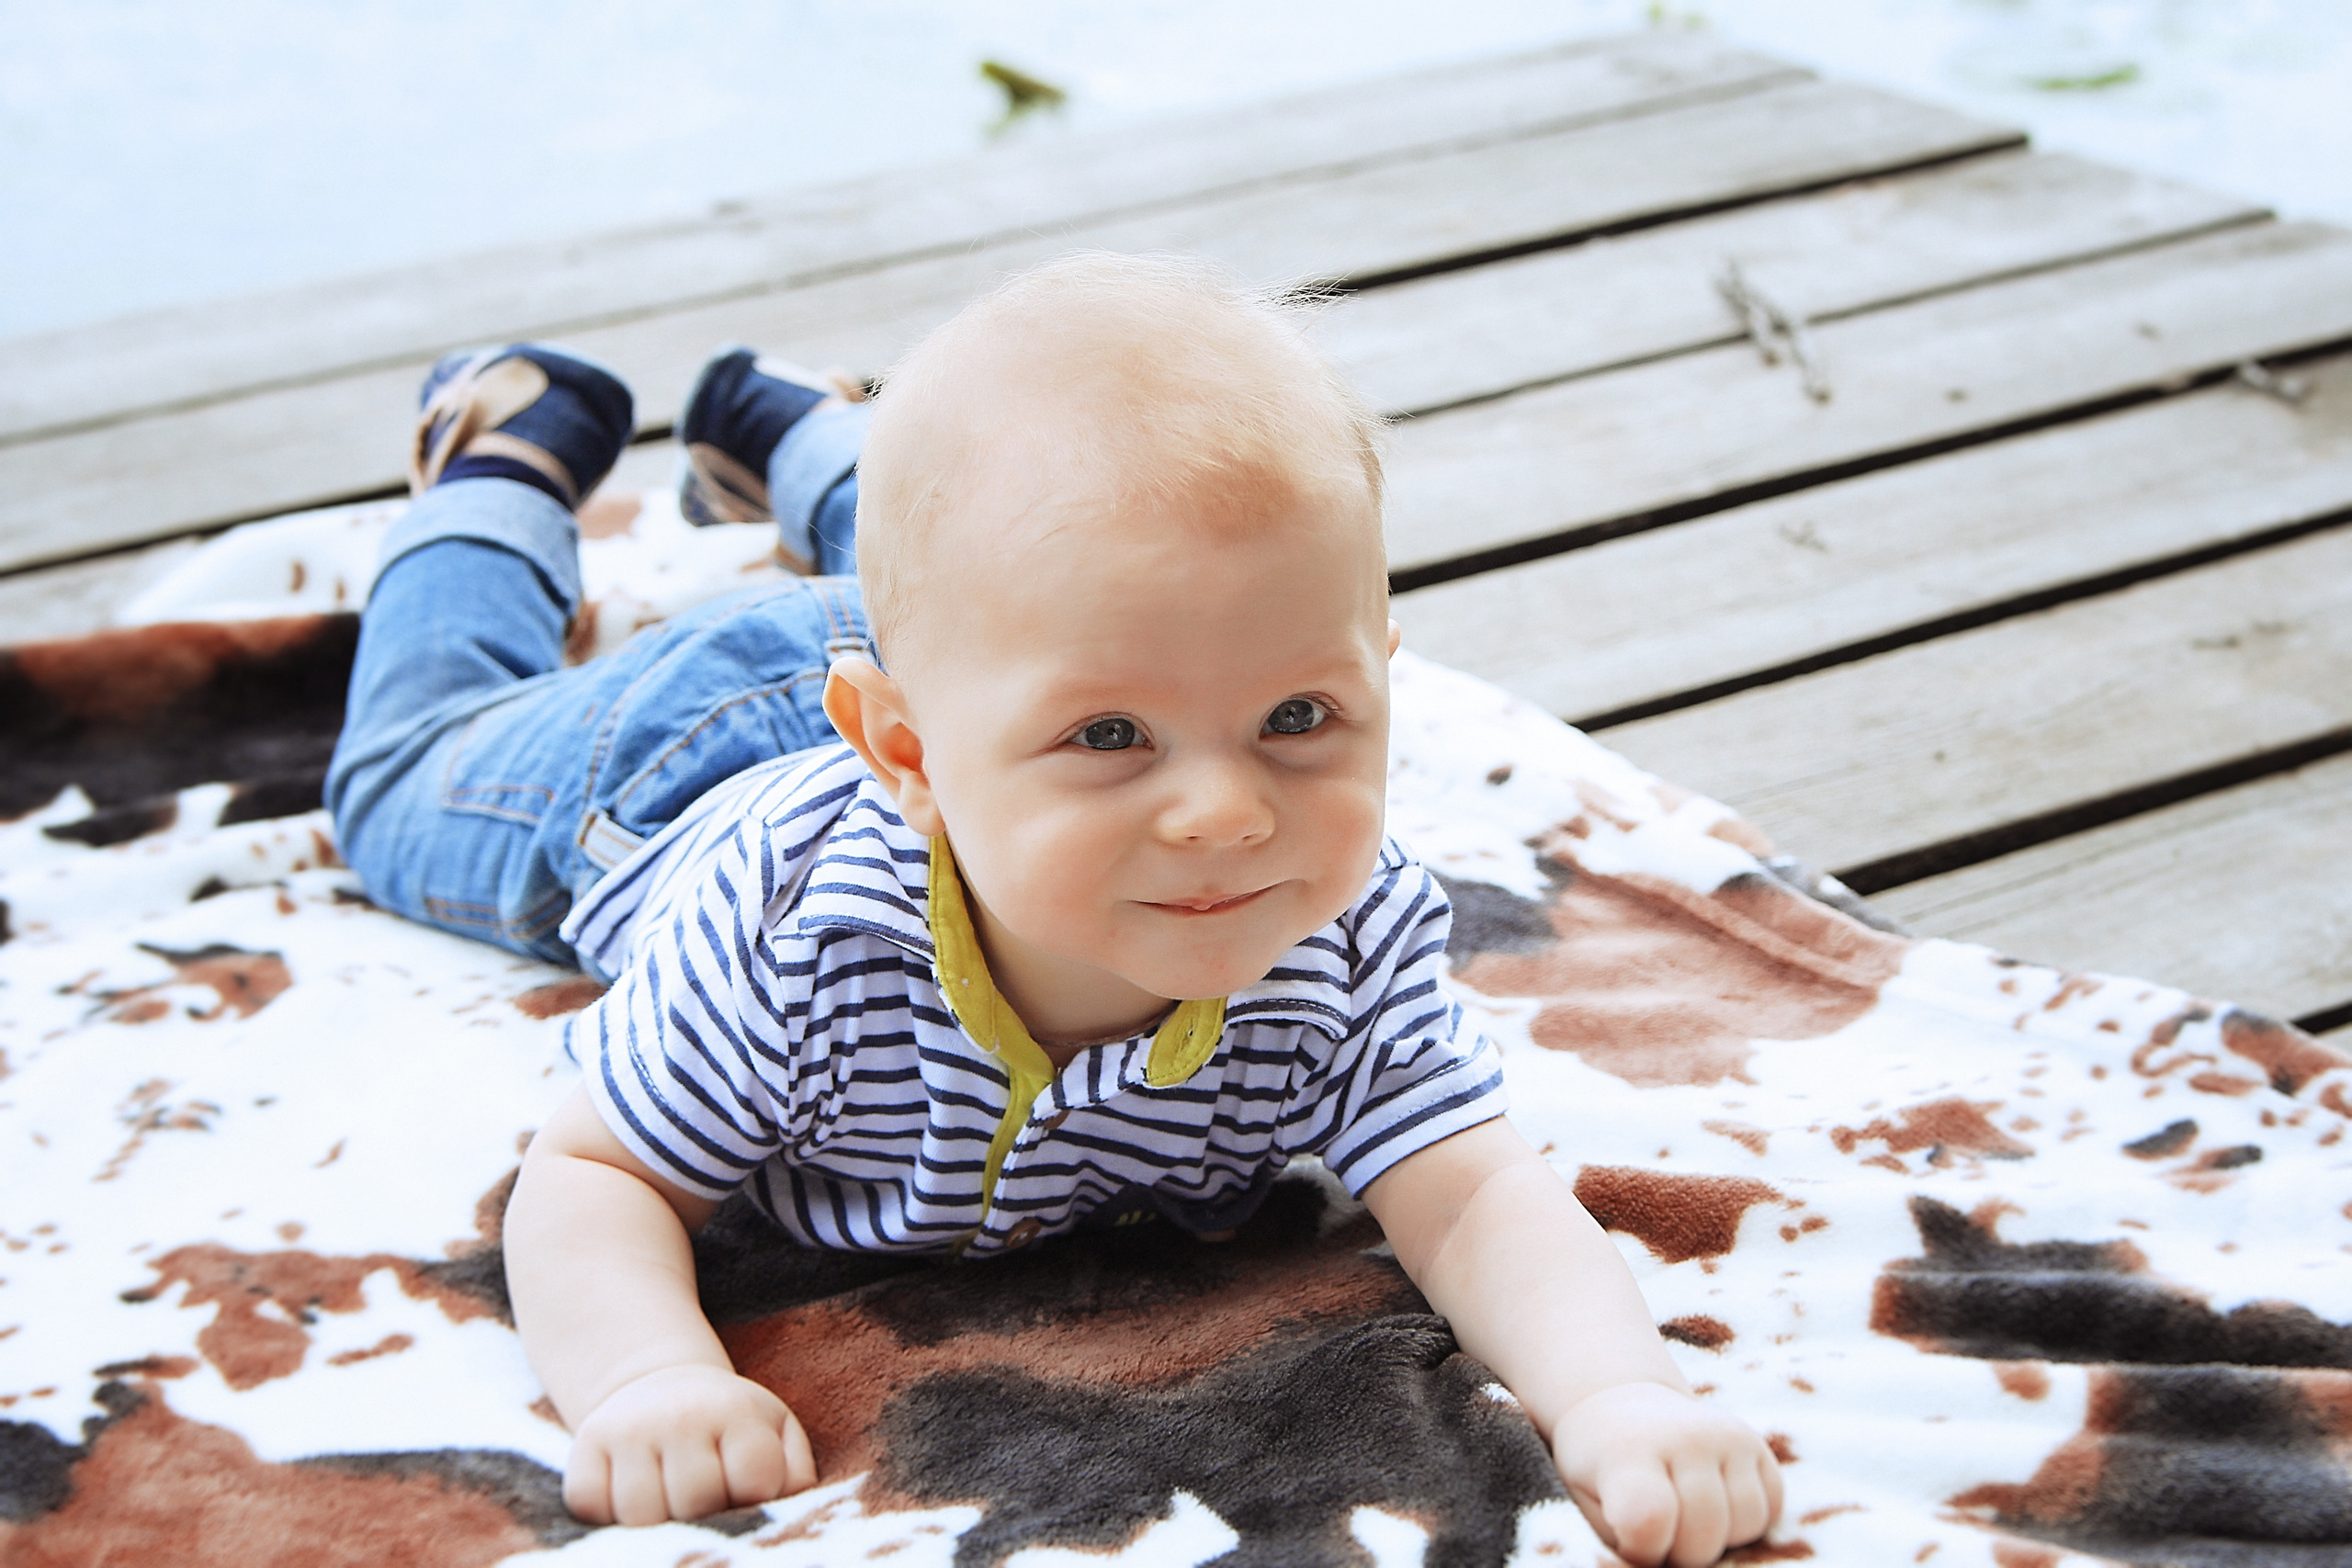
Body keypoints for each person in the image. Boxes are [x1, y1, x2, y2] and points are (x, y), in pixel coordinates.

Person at [324, 252, 1783, 1568]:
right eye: (1112, 739)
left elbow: (1473, 1194)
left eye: (1298, 711)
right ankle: (499, 461)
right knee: (398, 791)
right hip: (687, 743)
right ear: (905, 753)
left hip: (989, 655)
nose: (1225, 809)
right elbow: (598, 1180)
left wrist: (1616, 1396)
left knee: (1018, 545)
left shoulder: (1337, 941)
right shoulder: (796, 941)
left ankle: (804, 427)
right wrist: (650, 1377)